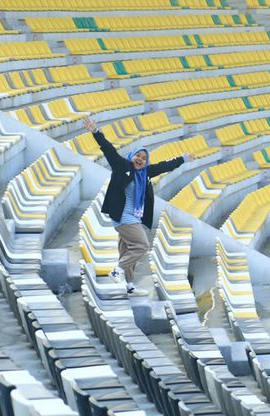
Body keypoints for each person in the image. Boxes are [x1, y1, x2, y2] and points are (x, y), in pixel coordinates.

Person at [83, 117, 193, 295]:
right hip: (123, 216)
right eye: (138, 156)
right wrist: (96, 132)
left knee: (127, 250)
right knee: (141, 246)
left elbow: (165, 166)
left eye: (144, 158)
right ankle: (117, 271)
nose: (140, 160)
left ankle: (129, 285)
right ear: (131, 156)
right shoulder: (122, 166)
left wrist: (183, 159)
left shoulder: (146, 173)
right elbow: (109, 150)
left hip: (134, 216)